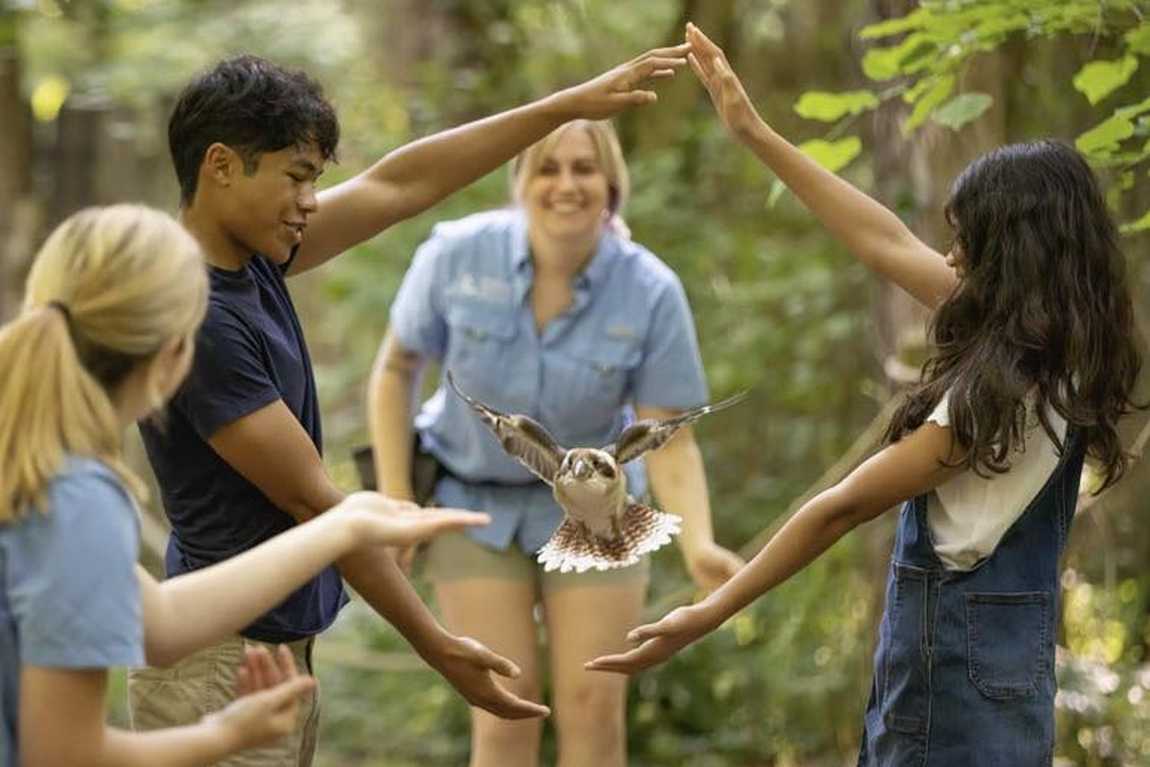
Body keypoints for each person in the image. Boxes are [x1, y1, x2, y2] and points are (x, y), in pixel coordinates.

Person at [587, 24, 1144, 767]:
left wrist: (710, 610)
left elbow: (838, 506)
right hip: (1012, 687)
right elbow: (882, 242)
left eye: (965, 242)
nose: (948, 258)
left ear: (1012, 255)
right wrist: (754, 133)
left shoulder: (991, 398)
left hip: (951, 696)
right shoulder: (1065, 358)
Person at [130, 44, 693, 765]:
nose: (310, 201)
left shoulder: (256, 255)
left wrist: (566, 106)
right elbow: (317, 505)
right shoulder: (199, 315)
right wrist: (438, 646)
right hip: (218, 662)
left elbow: (399, 184)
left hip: (266, 648)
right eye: (295, 177)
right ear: (220, 166)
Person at [0, 204, 492, 767]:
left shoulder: (34, 470)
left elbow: (159, 621)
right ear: (176, 353)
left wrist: (342, 528)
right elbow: (66, 750)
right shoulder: (76, 495)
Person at [369, 117, 745, 767]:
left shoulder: (650, 290)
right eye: (548, 168)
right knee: (505, 704)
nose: (565, 184)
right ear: (521, 181)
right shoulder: (455, 254)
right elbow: (396, 370)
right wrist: (397, 499)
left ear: (611, 187)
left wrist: (700, 542)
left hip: (598, 514)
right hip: (472, 505)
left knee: (593, 704)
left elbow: (669, 438)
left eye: (584, 169)